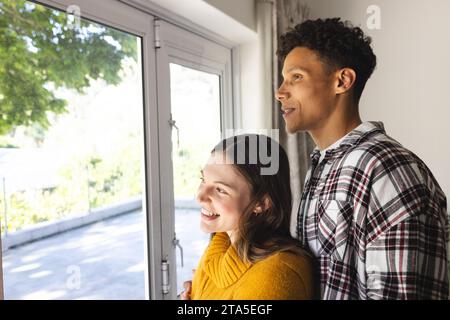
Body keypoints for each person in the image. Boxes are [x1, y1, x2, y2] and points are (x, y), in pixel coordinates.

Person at [275, 17, 449, 299]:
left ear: (342, 81)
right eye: (284, 79)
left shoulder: (388, 170)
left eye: (296, 77)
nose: (280, 92)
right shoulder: (322, 166)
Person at [182, 134, 314, 300]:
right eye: (203, 179)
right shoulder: (220, 246)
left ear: (262, 203)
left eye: (220, 190)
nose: (199, 197)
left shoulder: (275, 276)